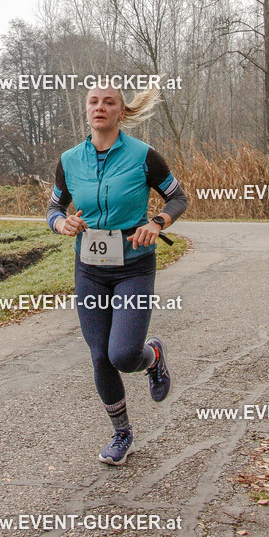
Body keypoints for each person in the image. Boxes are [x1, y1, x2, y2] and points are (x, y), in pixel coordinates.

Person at [46, 83, 188, 465]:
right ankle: (121, 433)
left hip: (134, 266)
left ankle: (152, 355)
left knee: (123, 354)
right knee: (100, 357)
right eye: (93, 101)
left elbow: (179, 197)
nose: (100, 107)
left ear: (120, 112)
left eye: (109, 102)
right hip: (89, 270)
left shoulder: (144, 156)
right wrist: (60, 224)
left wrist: (158, 222)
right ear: (86, 110)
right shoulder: (69, 160)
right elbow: (53, 208)